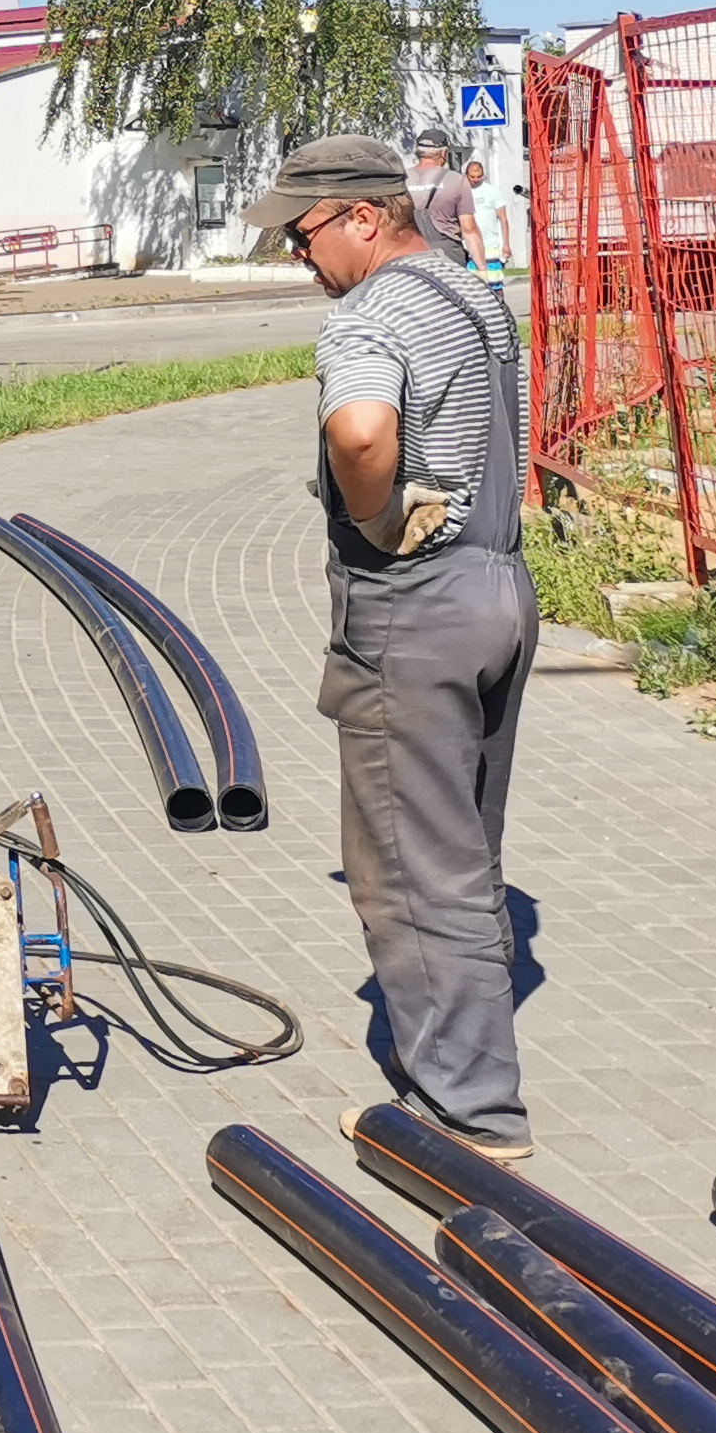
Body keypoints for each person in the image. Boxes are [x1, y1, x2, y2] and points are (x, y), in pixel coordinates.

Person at [243, 134, 540, 1160]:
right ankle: (469, 1058)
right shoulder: (470, 293)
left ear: (365, 217)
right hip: (499, 589)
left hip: (413, 608)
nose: (298, 257)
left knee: (413, 869)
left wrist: (372, 518)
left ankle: (467, 1116)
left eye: (303, 234)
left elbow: (362, 433)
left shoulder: (370, 312)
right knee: (466, 851)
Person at [407, 128, 477, 263]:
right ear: (444, 153)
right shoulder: (456, 180)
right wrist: (481, 267)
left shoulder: (402, 179)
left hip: (412, 253)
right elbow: (469, 229)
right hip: (447, 254)